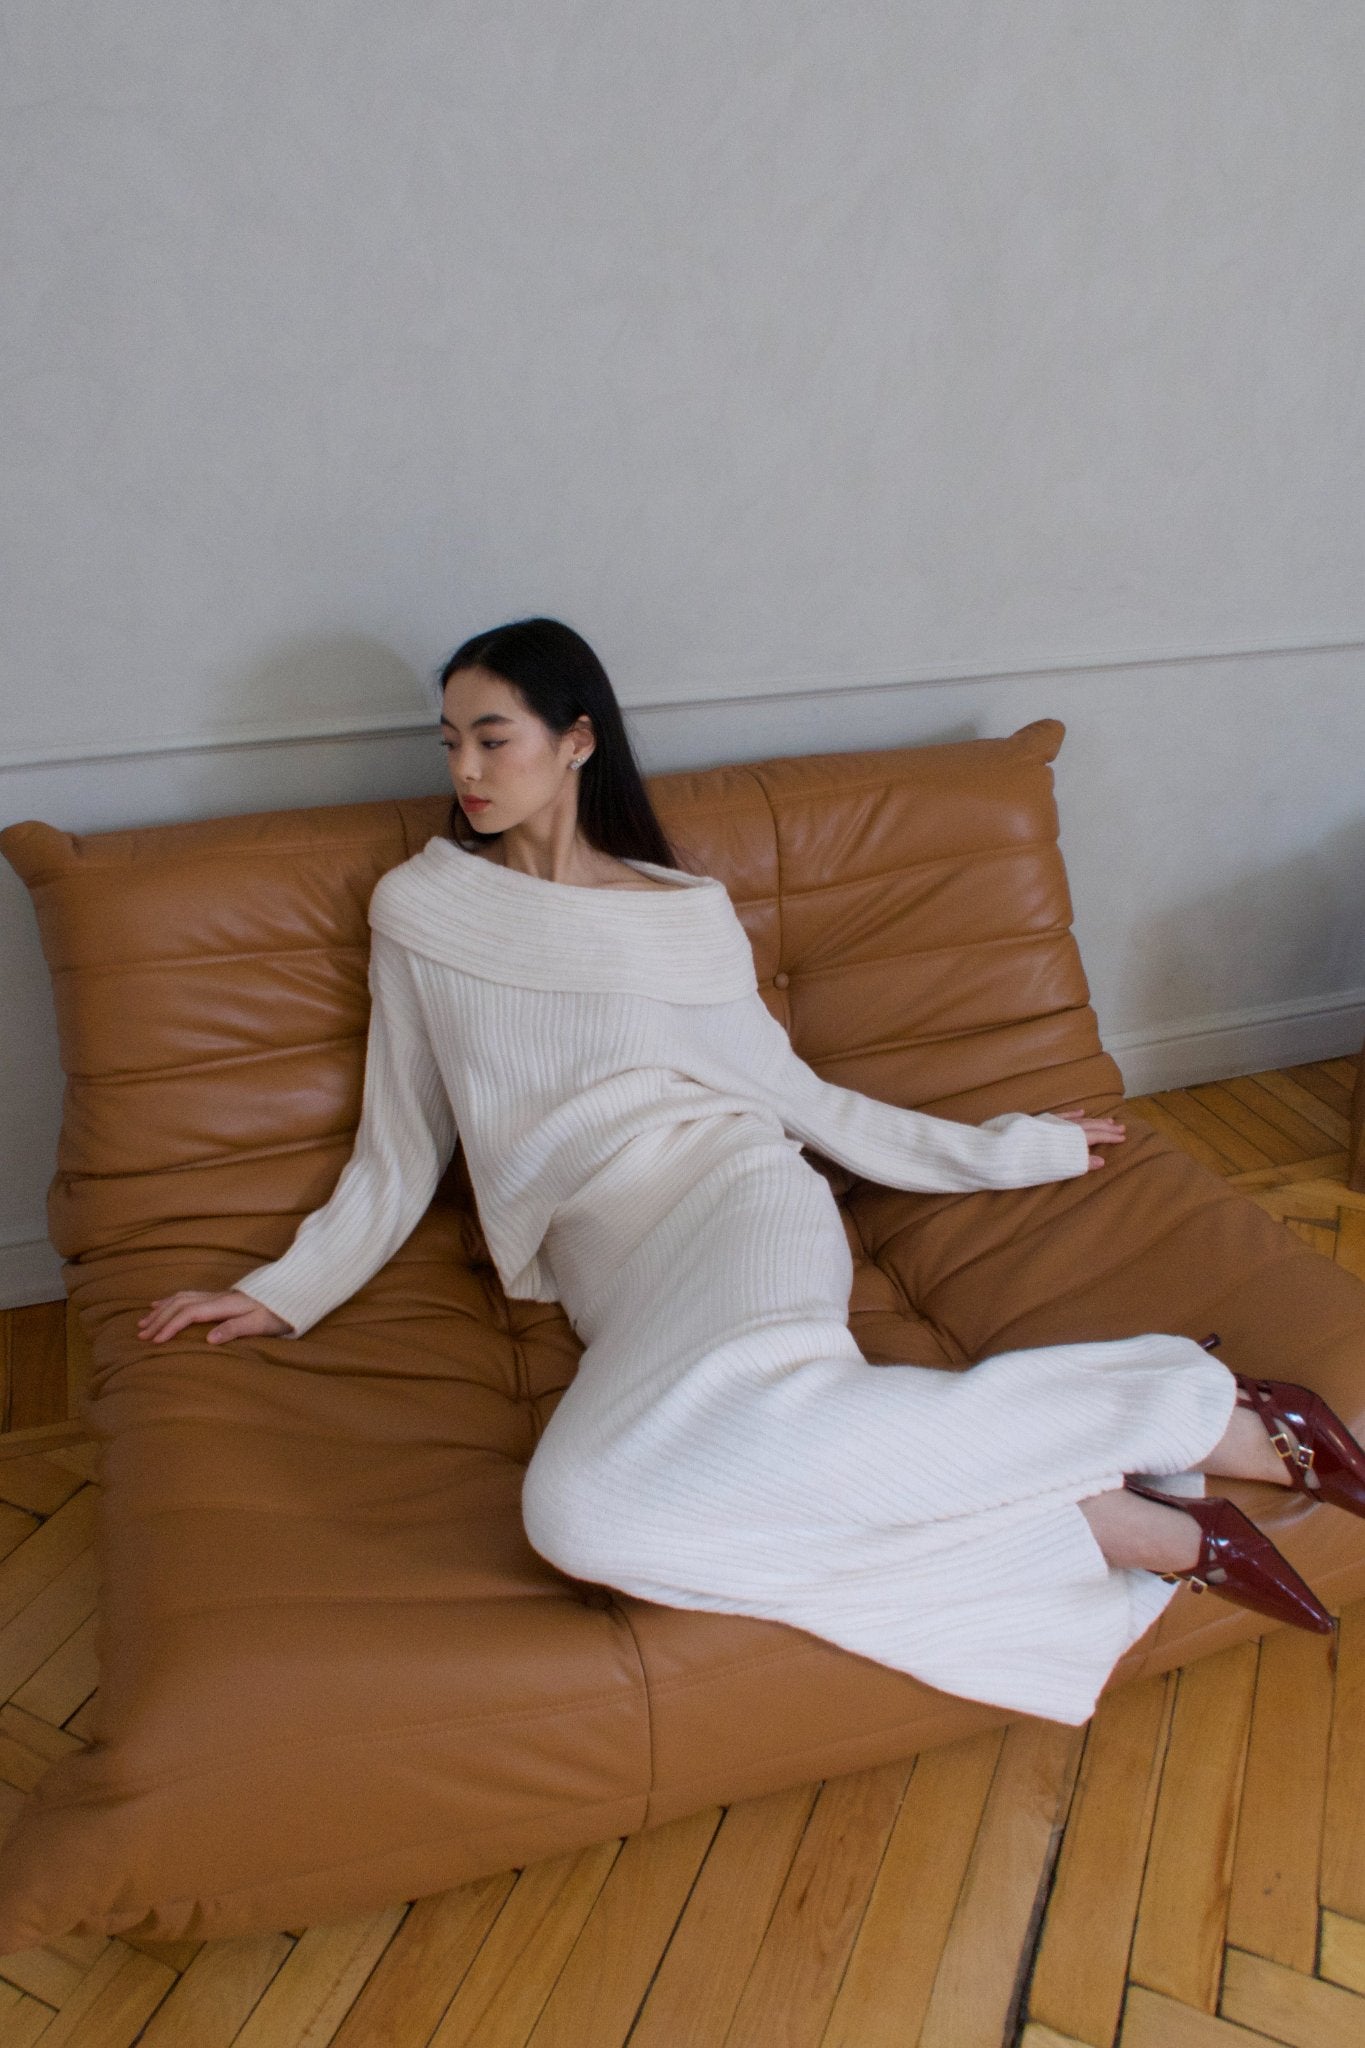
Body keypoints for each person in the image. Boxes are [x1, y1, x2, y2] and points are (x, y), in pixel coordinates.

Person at [137, 617, 1361, 1725]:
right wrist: (286, 1284)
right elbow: (400, 1141)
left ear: (575, 742)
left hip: (737, 1198)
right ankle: (1097, 1511)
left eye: (491, 736)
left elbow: (798, 1100)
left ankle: (1192, 1420)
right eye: (448, 738)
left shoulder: (683, 912)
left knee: (695, 1448)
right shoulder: (421, 907)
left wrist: (1016, 1145)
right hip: (606, 1260)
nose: (462, 766)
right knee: (583, 1512)